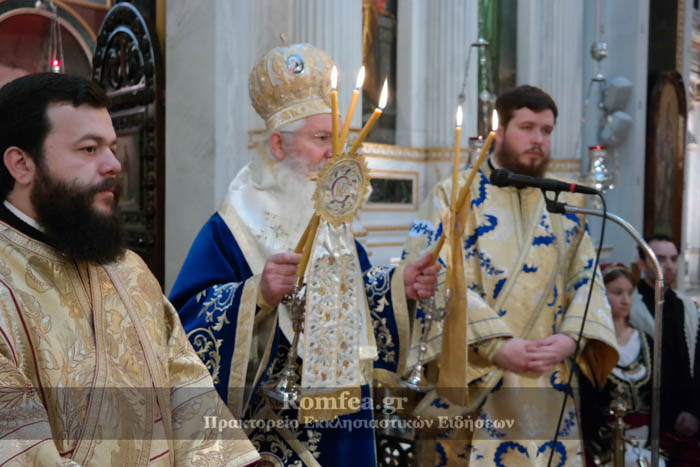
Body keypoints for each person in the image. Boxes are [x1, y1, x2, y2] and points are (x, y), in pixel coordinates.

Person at [169, 43, 439, 467]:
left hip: (343, 412)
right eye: (320, 139)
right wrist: (256, 295)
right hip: (268, 426)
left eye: (340, 139)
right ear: (279, 144)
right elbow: (184, 324)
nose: (336, 153)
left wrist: (396, 284)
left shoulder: (334, 219)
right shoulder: (231, 227)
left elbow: (354, 293)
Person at [0, 73, 259, 466]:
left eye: (112, 147)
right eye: (89, 149)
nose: (114, 165)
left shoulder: (129, 270)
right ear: (22, 164)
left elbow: (189, 396)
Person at [402, 85, 619, 465]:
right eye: (527, 127)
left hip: (549, 383)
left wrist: (572, 338)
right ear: (498, 131)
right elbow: (432, 276)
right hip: (477, 381)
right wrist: (496, 346)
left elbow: (587, 278)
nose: (538, 140)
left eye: (547, 131)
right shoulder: (453, 194)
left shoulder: (564, 203)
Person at [579, 264, 664, 466]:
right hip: (604, 443)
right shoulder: (593, 347)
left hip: (647, 441)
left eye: (629, 293)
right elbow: (587, 404)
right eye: (617, 293)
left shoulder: (646, 342)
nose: (625, 300)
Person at [631, 234, 700, 464]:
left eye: (673, 259)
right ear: (642, 264)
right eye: (659, 259)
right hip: (647, 412)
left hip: (687, 412)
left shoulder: (686, 305)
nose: (668, 265)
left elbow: (696, 361)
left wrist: (694, 411)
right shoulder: (631, 304)